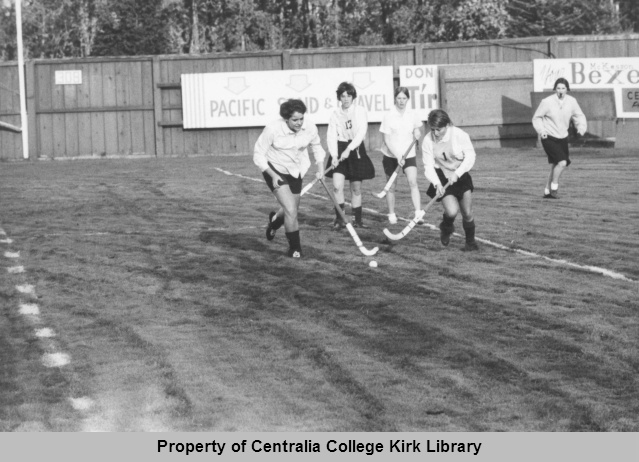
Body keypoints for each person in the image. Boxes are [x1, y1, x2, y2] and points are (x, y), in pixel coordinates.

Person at [254, 99, 326, 258]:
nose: (299, 122)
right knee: (291, 210)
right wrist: (272, 175)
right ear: (286, 118)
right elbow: (258, 155)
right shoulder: (273, 129)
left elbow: (317, 148)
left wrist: (320, 169)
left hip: (296, 170)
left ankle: (273, 223)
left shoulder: (310, 128)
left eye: (301, 118)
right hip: (274, 168)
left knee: (290, 209)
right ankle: (295, 249)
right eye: (295, 120)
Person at [422, 109, 478, 251]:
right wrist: (437, 184)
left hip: (460, 173)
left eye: (438, 129)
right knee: (452, 211)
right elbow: (428, 166)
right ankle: (446, 229)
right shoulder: (428, 140)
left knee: (467, 212)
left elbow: (470, 156)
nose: (435, 133)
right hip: (441, 175)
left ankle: (470, 243)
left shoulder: (459, 135)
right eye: (432, 129)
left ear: (447, 125)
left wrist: (458, 173)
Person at [325, 81, 375, 229]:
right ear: (339, 98)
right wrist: (334, 155)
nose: (346, 99)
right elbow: (331, 136)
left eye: (348, 95)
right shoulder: (335, 114)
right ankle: (340, 219)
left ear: (353, 97)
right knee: (336, 186)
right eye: (343, 96)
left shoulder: (359, 111)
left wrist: (349, 149)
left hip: (356, 149)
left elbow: (361, 133)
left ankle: (357, 221)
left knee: (356, 188)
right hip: (340, 148)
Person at [532, 77, 587, 199]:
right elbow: (537, 117)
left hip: (562, 137)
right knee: (562, 163)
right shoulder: (547, 101)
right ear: (554, 89)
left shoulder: (572, 101)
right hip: (548, 137)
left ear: (567, 89)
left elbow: (579, 115)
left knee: (556, 164)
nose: (560, 90)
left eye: (563, 88)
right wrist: (542, 130)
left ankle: (547, 190)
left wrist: (581, 127)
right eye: (558, 88)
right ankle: (555, 188)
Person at [379, 86, 424, 225]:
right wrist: (397, 155)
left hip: (409, 155)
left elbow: (416, 129)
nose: (401, 101)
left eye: (404, 98)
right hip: (391, 156)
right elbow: (386, 140)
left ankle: (418, 213)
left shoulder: (412, 114)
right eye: (399, 98)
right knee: (391, 186)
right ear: (395, 99)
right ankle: (391, 214)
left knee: (413, 182)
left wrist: (417, 132)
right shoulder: (388, 115)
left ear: (408, 99)